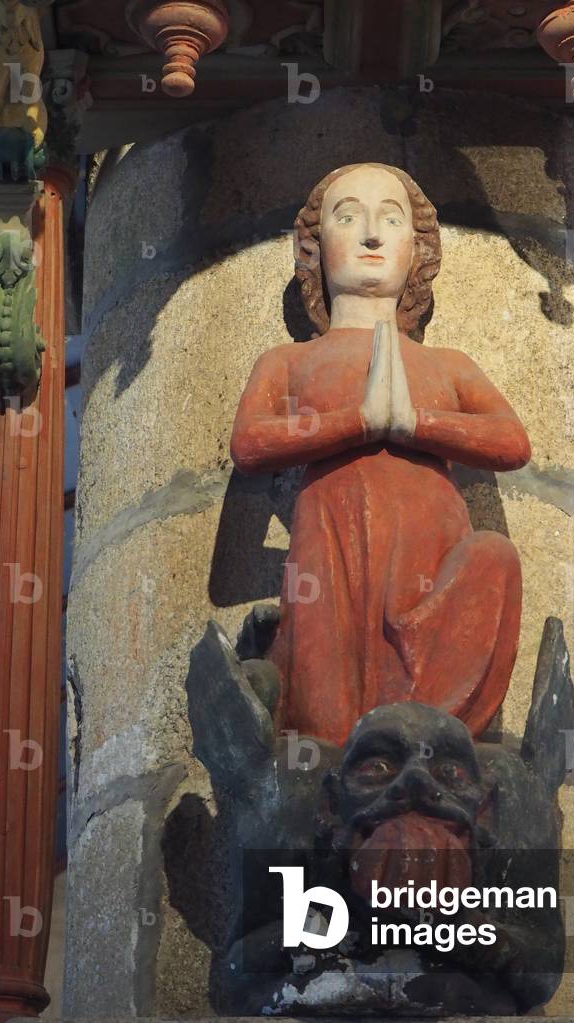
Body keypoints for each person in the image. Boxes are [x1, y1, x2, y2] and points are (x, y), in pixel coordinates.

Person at [231, 163, 530, 746]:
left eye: (390, 221)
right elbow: (250, 442)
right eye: (348, 218)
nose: (371, 235)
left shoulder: (447, 364)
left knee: (494, 558)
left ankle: (430, 742)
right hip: (330, 539)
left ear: (417, 254)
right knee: (326, 717)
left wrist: (414, 423)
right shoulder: (289, 361)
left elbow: (511, 441)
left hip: (430, 543)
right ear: (314, 251)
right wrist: (361, 423)